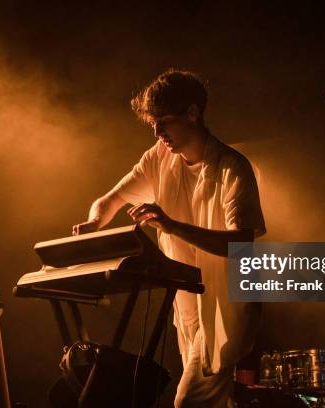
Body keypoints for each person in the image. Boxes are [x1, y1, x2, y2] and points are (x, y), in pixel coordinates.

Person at [72, 69, 266, 407]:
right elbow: (110, 200)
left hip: (224, 307)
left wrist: (172, 226)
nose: (158, 132)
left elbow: (240, 245)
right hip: (186, 305)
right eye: (153, 124)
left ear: (193, 113)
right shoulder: (158, 157)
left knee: (188, 402)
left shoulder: (232, 168)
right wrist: (93, 223)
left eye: (165, 121)